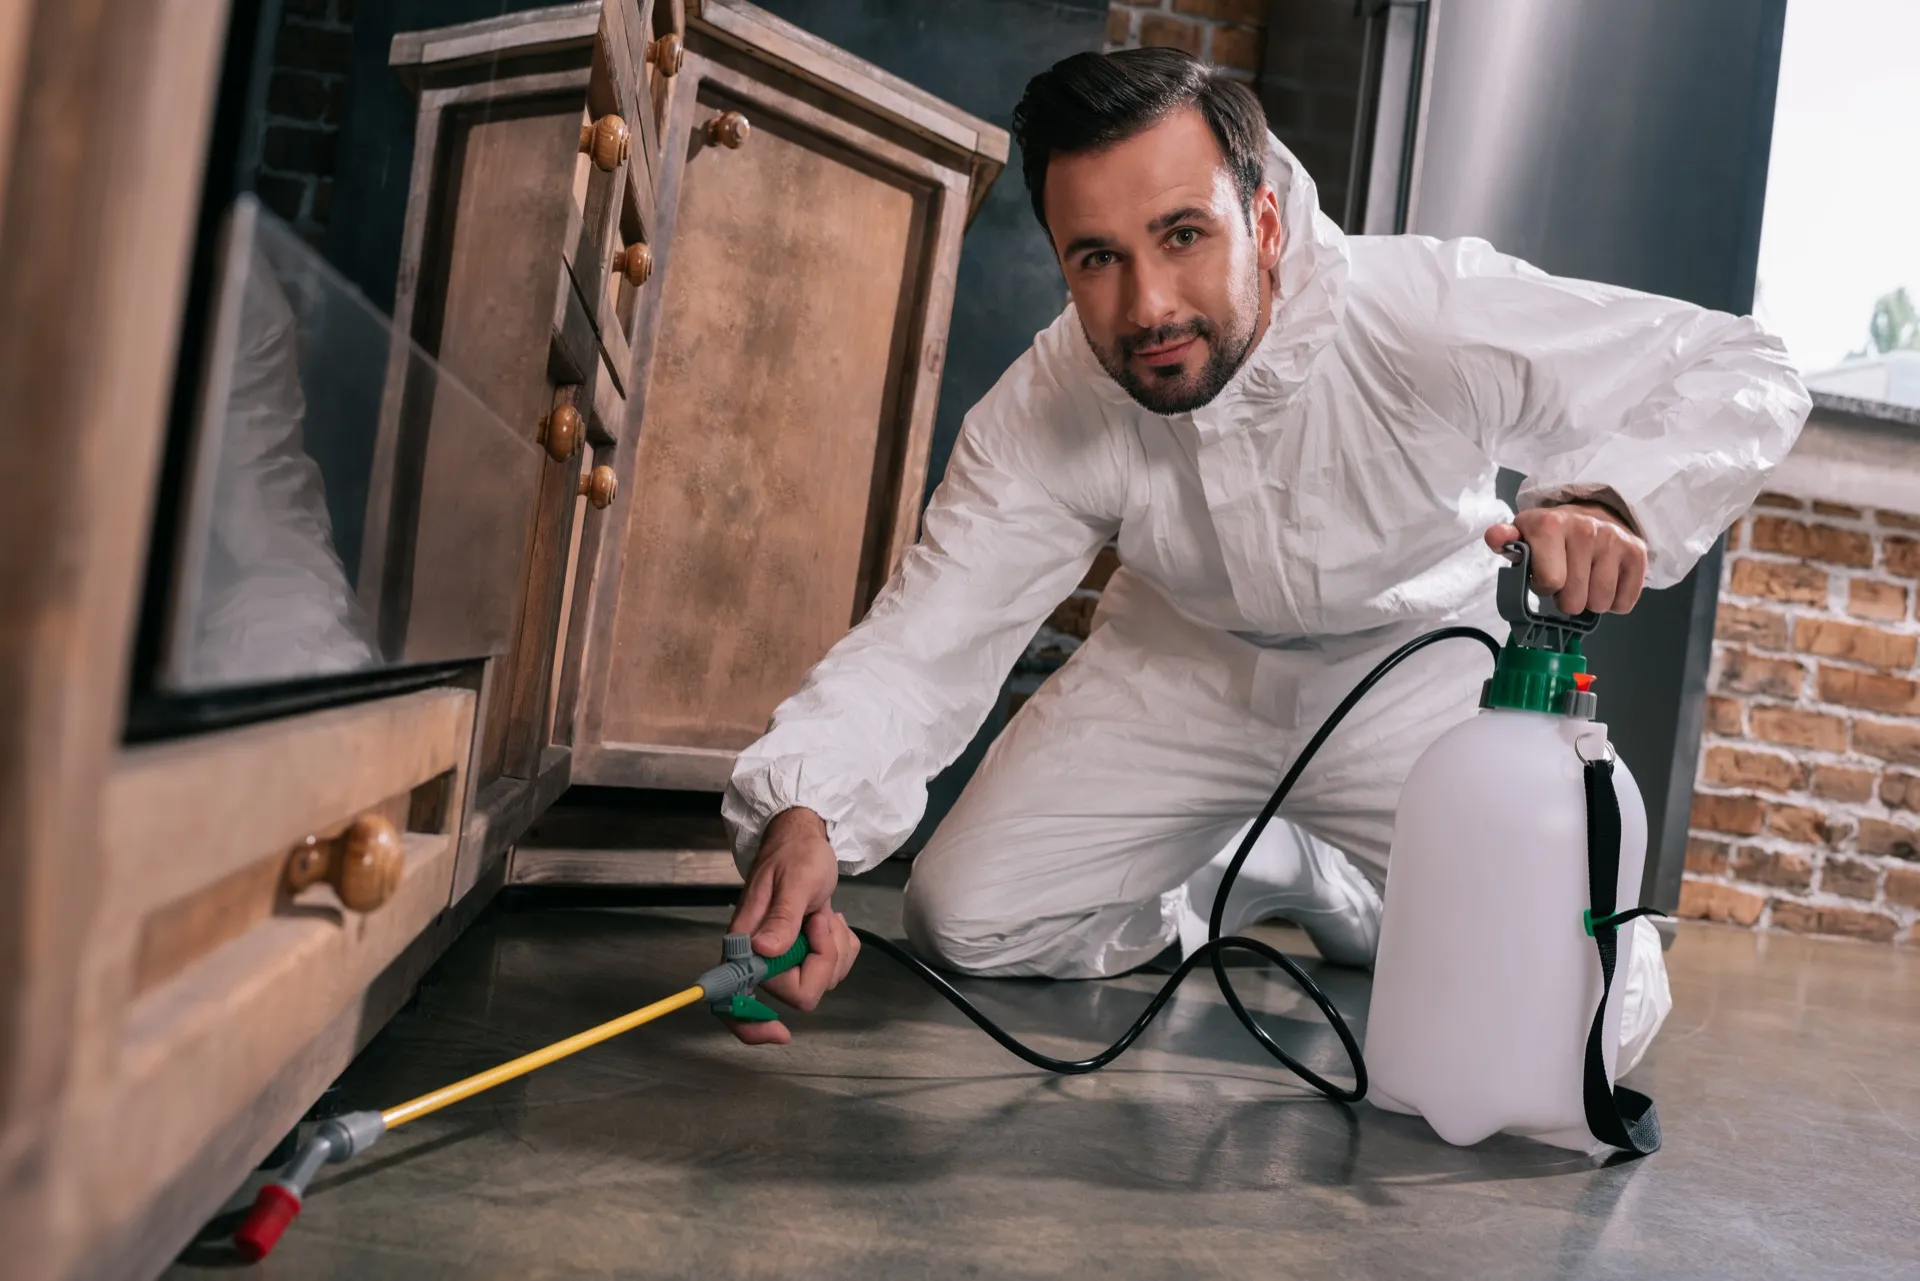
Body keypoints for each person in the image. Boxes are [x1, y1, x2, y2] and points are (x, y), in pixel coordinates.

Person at [716, 49, 1809, 1054]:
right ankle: (1241, 867)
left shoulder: (1420, 311)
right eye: (1097, 258)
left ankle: (1314, 872)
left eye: (1183, 235)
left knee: (1590, 1009)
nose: (1147, 305)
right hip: (1184, 666)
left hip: (1417, 667)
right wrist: (809, 812)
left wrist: (1622, 497)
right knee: (967, 916)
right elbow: (929, 636)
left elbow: (1739, 366)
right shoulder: (1050, 405)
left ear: (1268, 223)